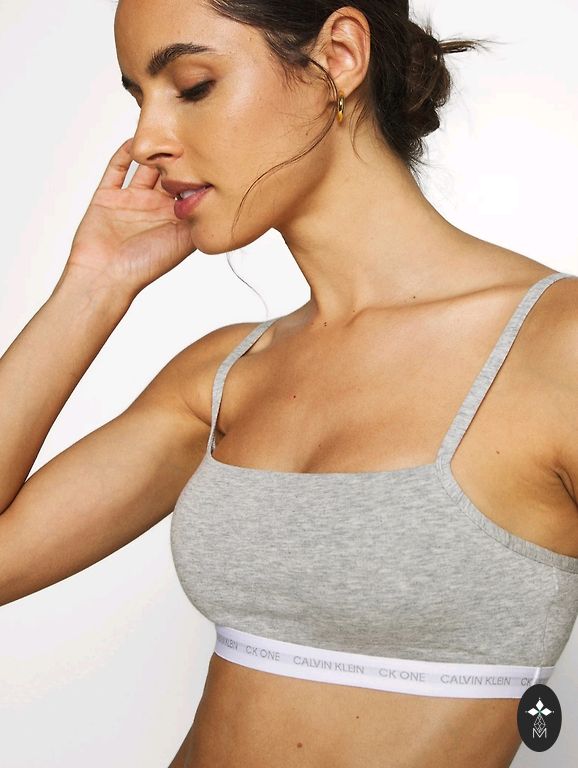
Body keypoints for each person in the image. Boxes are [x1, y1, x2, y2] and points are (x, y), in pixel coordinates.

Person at [0, 1, 576, 766]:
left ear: (338, 56)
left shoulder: (554, 349)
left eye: (193, 85)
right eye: (139, 98)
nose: (146, 141)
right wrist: (93, 284)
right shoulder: (225, 377)